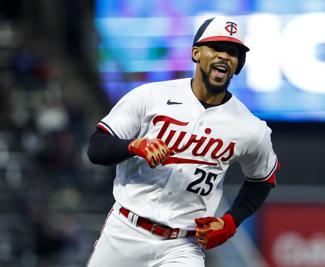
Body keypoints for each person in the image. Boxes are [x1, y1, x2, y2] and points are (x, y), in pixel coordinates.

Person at [86, 15, 279, 267]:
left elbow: (263, 179)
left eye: (232, 52)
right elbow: (96, 147)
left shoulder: (250, 128)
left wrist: (231, 222)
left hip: (182, 246)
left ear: (239, 64)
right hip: (125, 231)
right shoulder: (150, 96)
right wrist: (133, 146)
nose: (224, 56)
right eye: (217, 48)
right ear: (196, 53)